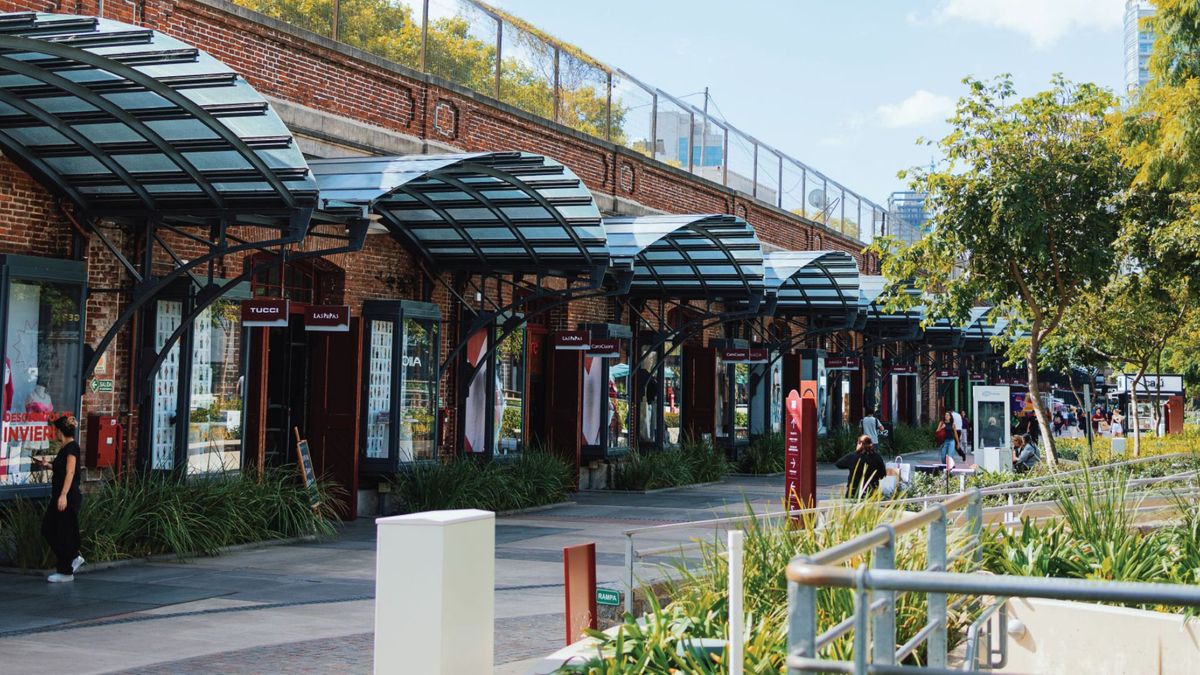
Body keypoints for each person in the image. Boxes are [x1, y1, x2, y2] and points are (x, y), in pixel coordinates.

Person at [38, 414, 84, 583]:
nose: (55, 433)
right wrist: (48, 465)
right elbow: (63, 469)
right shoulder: (65, 448)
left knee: (60, 531)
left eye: (56, 430)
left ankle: (66, 570)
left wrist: (63, 495)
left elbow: (70, 472)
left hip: (67, 496)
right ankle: (72, 559)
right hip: (60, 495)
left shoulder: (72, 448)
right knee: (50, 529)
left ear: (60, 432)